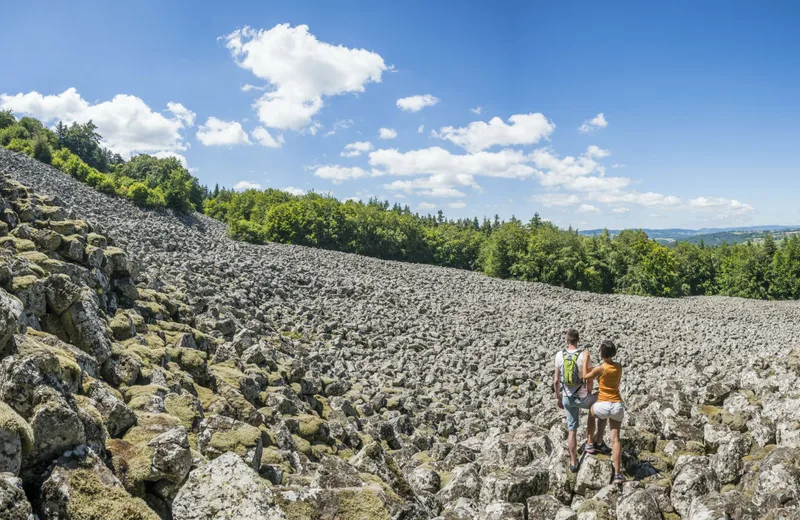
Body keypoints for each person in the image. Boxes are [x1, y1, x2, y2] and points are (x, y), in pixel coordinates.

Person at [554, 329, 602, 472]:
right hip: (583, 397)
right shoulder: (584, 355)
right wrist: (587, 391)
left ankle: (574, 462)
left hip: (567, 398)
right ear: (578, 340)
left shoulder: (559, 355)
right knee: (597, 404)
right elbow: (590, 379)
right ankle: (592, 441)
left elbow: (556, 381)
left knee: (572, 430)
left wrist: (559, 398)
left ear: (567, 340)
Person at [582, 339, 625, 484]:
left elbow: (585, 376)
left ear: (602, 353)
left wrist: (585, 360)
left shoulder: (600, 368)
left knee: (591, 413)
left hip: (603, 404)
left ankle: (589, 443)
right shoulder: (618, 366)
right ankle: (618, 474)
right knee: (616, 439)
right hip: (617, 405)